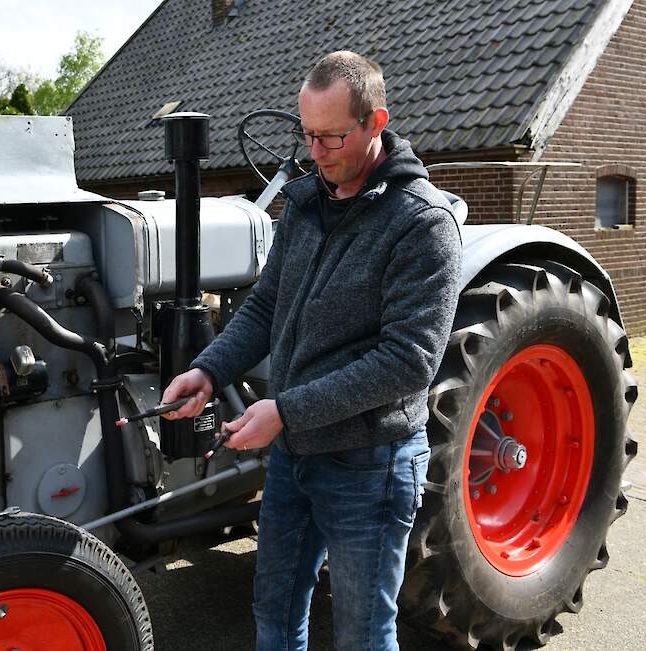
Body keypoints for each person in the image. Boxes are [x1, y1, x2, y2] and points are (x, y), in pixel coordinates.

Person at [161, 51, 463, 650]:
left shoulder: (421, 224)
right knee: (273, 611)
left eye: (332, 136)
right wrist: (207, 367)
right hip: (295, 454)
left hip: (369, 464)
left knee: (362, 635)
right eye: (307, 134)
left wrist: (284, 411)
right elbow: (267, 306)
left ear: (376, 122)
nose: (316, 152)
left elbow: (408, 363)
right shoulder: (304, 205)